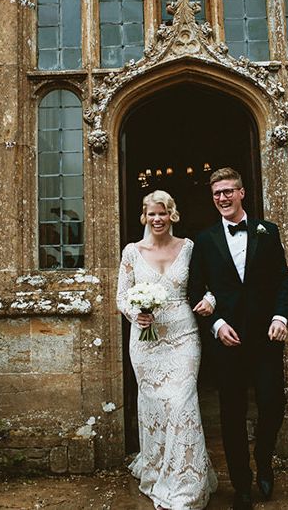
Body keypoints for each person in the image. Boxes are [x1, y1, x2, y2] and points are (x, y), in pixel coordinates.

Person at [188, 167, 288, 510]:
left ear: (242, 192)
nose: (222, 198)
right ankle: (242, 485)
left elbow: (282, 280)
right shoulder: (203, 241)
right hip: (227, 342)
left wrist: (280, 317)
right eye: (217, 193)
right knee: (231, 415)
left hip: (265, 337)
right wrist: (216, 324)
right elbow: (195, 290)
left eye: (228, 191)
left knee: (272, 404)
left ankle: (264, 458)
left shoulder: (268, 232)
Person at [116, 190, 217, 510]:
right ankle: (158, 467)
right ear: (144, 217)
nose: (157, 219)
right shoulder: (132, 252)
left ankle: (186, 481)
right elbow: (121, 296)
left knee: (181, 403)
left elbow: (213, 283)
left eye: (163, 213)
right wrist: (136, 314)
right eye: (151, 214)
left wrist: (210, 301)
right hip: (146, 342)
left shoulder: (189, 248)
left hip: (183, 337)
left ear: (173, 214)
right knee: (154, 407)